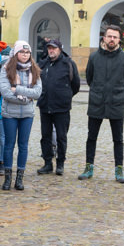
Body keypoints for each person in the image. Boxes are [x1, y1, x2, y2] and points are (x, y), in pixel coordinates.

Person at [79, 25, 124, 183]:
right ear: (104, 38)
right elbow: (89, 78)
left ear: (119, 40)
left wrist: (117, 92)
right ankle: (88, 168)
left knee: (118, 139)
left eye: (115, 37)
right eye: (109, 36)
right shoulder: (94, 57)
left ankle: (119, 170)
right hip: (97, 102)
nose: (112, 39)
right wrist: (98, 90)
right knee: (91, 137)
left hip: (117, 103)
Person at [0, 40, 43, 191]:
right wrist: (25, 96)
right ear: (16, 54)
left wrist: (17, 89)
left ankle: (19, 178)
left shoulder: (35, 70)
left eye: (27, 52)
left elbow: (37, 93)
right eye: (22, 52)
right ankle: (7, 178)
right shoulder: (6, 69)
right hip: (9, 113)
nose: (25, 55)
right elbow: (5, 92)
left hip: (27, 114)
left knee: (23, 146)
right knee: (9, 145)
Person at [37, 39, 80, 176]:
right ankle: (47, 163)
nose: (51, 50)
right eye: (49, 48)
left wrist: (65, 96)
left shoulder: (68, 64)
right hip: (45, 106)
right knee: (46, 136)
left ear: (60, 49)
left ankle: (60, 163)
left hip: (62, 107)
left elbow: (76, 85)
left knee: (61, 137)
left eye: (54, 48)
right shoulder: (43, 63)